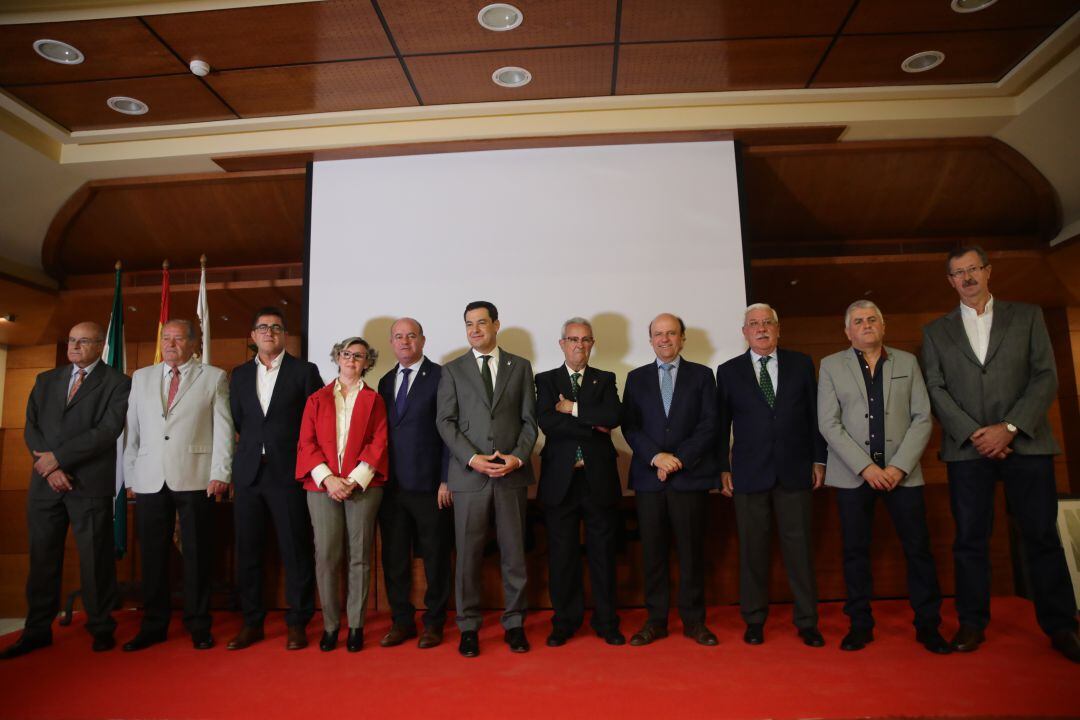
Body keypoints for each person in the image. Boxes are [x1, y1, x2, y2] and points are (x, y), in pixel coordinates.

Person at [922, 246, 1080, 662]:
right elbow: (936, 389)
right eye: (959, 273)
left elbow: (1046, 375)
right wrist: (975, 433)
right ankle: (971, 623)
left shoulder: (1027, 316)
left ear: (989, 272)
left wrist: (1008, 428)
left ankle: (1062, 625)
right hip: (967, 451)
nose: (968, 277)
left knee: (1042, 537)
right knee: (969, 541)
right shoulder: (935, 332)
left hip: (1026, 444)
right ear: (950, 281)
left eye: (974, 269)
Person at [818, 300, 950, 654]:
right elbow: (829, 423)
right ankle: (860, 625)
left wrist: (897, 467)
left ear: (883, 325)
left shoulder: (907, 362)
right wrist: (867, 468)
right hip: (853, 475)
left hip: (902, 475)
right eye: (858, 321)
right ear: (847, 331)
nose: (866, 325)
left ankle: (928, 626)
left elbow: (923, 417)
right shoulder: (831, 365)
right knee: (855, 553)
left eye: (872, 319)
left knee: (919, 551)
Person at [1, 322, 130, 659]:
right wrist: (50, 467)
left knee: (94, 559)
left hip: (88, 484)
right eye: (72, 340)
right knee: (42, 558)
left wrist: (59, 459)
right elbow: (32, 426)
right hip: (46, 485)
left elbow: (107, 430)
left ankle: (101, 627)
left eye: (83, 341)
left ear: (100, 345)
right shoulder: (46, 380)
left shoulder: (117, 382)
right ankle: (37, 629)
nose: (74, 346)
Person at [716, 303, 826, 648]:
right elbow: (721, 426)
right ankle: (754, 619)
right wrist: (722, 467)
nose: (761, 329)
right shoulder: (729, 371)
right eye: (754, 324)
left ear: (778, 329)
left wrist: (818, 460)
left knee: (800, 551)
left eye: (767, 323)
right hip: (748, 473)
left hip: (795, 471)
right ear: (744, 332)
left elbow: (815, 417)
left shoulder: (801, 363)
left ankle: (807, 621)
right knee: (752, 551)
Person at [122, 319, 234, 651]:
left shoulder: (213, 376)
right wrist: (130, 476)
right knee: (153, 554)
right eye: (165, 338)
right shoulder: (141, 377)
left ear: (193, 342)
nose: (170, 344)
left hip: (196, 474)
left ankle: (199, 623)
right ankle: (153, 624)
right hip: (149, 478)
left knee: (197, 553)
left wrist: (221, 473)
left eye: (178, 338)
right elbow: (132, 430)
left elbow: (223, 429)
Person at [436, 300, 538, 657]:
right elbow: (444, 422)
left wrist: (518, 456)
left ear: (496, 325)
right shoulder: (451, 370)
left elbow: (530, 421)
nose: (475, 329)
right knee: (468, 557)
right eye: (469, 324)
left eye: (482, 323)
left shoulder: (521, 366)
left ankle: (514, 625)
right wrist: (472, 458)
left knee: (514, 555)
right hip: (469, 476)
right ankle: (468, 627)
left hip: (511, 473)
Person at [226, 307, 323, 651]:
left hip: (289, 475)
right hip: (249, 475)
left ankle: (298, 622)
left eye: (276, 328)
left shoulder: (305, 371)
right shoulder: (237, 375)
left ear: (284, 336)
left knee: (295, 550)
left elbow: (317, 421)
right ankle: (252, 622)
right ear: (253, 336)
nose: (269, 332)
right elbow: (239, 421)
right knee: (248, 551)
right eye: (263, 327)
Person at [621, 313, 719, 646]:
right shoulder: (636, 379)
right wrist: (656, 457)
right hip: (649, 480)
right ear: (650, 340)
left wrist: (677, 460)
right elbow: (630, 426)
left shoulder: (703, 376)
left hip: (689, 478)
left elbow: (709, 425)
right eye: (658, 334)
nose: (665, 339)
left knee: (691, 553)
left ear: (682, 338)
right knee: (653, 554)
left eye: (671, 333)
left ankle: (694, 621)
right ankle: (656, 621)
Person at [535, 317, 625, 647]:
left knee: (603, 554)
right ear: (562, 344)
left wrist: (571, 407)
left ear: (592, 344)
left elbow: (614, 417)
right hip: (561, 480)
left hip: (597, 478)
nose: (579, 345)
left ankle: (606, 621)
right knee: (562, 556)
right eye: (573, 339)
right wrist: (592, 423)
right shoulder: (545, 380)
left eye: (585, 340)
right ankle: (565, 621)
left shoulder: (605, 378)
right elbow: (547, 423)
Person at [296, 337, 388, 653]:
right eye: (346, 354)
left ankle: (357, 627)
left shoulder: (374, 401)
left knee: (360, 556)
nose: (351, 360)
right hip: (322, 488)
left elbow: (378, 442)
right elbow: (306, 443)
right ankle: (332, 626)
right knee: (326, 556)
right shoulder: (316, 399)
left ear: (367, 362)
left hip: (362, 487)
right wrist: (329, 479)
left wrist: (353, 479)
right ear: (337, 357)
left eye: (359, 356)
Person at [376, 318, 452, 649]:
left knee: (435, 557)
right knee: (394, 559)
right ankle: (401, 621)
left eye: (411, 335)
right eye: (398, 336)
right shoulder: (384, 381)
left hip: (429, 486)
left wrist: (447, 479)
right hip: (390, 488)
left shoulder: (441, 376)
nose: (405, 341)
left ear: (422, 340)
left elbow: (450, 432)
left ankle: (434, 623)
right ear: (391, 343)